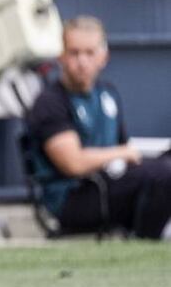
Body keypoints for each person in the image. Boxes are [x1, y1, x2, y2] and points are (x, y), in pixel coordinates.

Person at [26, 16, 171, 239]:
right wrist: (122, 153)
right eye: (74, 53)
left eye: (89, 53)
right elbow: (73, 164)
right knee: (163, 174)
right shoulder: (51, 102)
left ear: (104, 57)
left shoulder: (108, 93)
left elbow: (124, 149)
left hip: (115, 182)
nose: (82, 61)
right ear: (61, 57)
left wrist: (128, 154)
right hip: (74, 197)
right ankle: (145, 241)